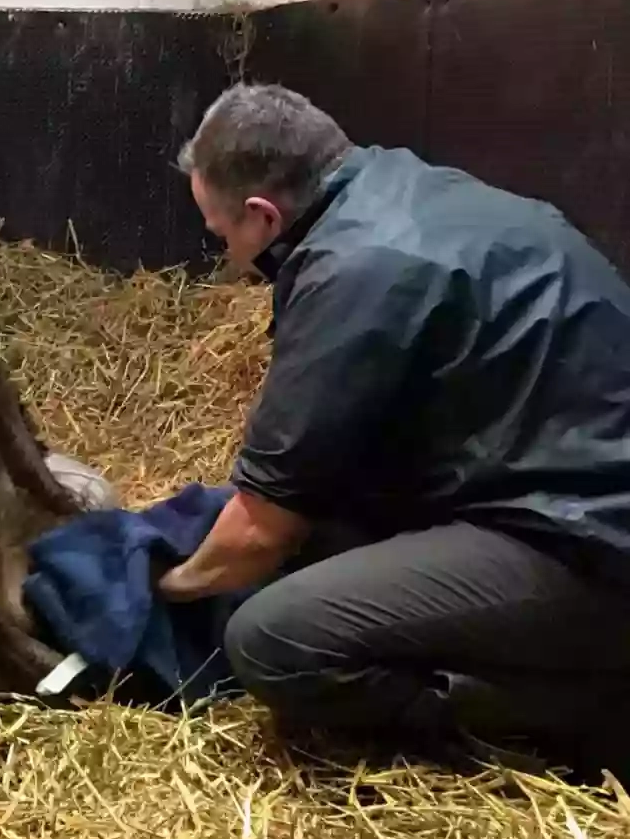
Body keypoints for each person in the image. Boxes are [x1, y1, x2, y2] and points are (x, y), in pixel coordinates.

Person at [160, 82, 630, 779]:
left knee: (269, 636)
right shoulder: (402, 187)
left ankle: (570, 708)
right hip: (565, 483)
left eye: (222, 234)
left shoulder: (353, 266)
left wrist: (166, 585)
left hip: (587, 543)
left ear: (262, 214)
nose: (226, 254)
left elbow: (262, 528)